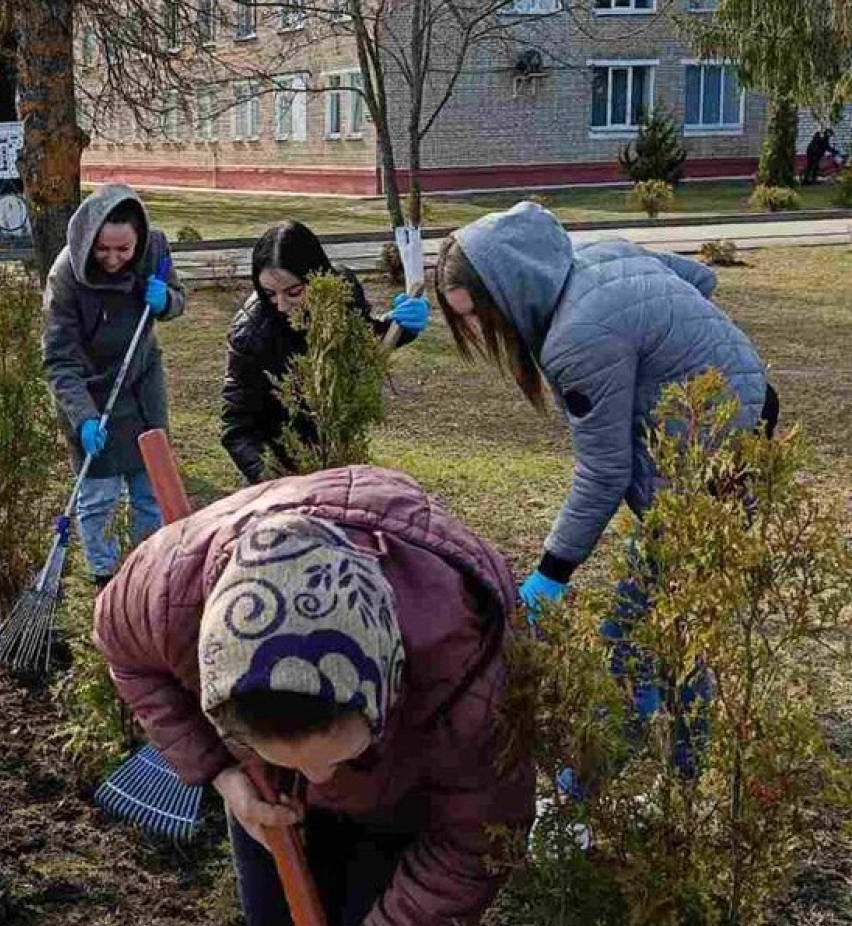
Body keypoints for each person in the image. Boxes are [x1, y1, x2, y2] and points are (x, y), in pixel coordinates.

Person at [94, 467, 535, 926]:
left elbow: (473, 842)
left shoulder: (469, 682)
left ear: (388, 690)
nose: (320, 777)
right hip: (268, 784)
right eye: (291, 757)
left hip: (403, 779)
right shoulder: (169, 591)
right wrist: (224, 774)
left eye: (337, 754)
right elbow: (124, 653)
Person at [433, 201, 776, 777]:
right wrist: (681, 364)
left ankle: (593, 790)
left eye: (475, 315)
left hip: (714, 471)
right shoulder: (600, 252)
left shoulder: (576, 340)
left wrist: (551, 573)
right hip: (750, 421)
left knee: (633, 638)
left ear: (512, 290)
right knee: (674, 620)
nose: (473, 331)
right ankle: (684, 776)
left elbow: (604, 472)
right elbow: (699, 280)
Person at [42, 184, 184, 589]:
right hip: (90, 390)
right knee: (99, 494)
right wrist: (83, 418)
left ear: (138, 240)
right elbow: (59, 360)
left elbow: (178, 298)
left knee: (149, 487)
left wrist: (166, 301)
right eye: (103, 249)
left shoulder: (155, 249)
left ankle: (148, 570)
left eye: (123, 249)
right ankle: (105, 576)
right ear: (89, 240)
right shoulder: (65, 276)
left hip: (142, 385)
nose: (113, 258)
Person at [221, 221, 430, 484]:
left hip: (336, 450)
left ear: (317, 276)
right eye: (269, 294)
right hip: (274, 466)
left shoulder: (341, 290)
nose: (281, 305)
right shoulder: (250, 333)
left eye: (294, 292)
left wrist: (401, 326)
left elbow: (362, 343)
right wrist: (276, 480)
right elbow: (237, 428)